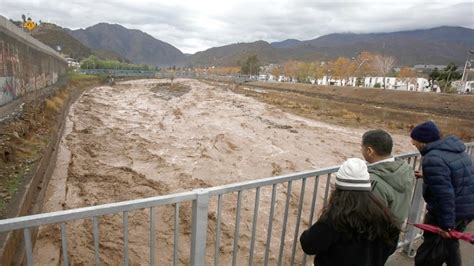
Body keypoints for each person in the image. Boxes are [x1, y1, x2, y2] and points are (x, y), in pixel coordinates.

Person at [300, 158, 400, 266]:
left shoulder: (335, 219)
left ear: (339, 189)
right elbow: (390, 247)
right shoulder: (384, 216)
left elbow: (308, 245)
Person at [410, 121, 474, 266]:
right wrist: (429, 175)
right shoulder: (455, 150)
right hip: (467, 209)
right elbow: (455, 178)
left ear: (423, 141)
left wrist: (446, 226)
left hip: (448, 214)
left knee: (427, 256)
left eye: (415, 141)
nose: (413, 143)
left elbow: (445, 195)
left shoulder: (433, 159)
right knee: (450, 245)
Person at [361, 129, 415, 227]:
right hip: (395, 229)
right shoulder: (405, 169)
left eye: (362, 147)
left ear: (369, 151)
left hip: (376, 235)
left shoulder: (374, 181)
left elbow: (370, 216)